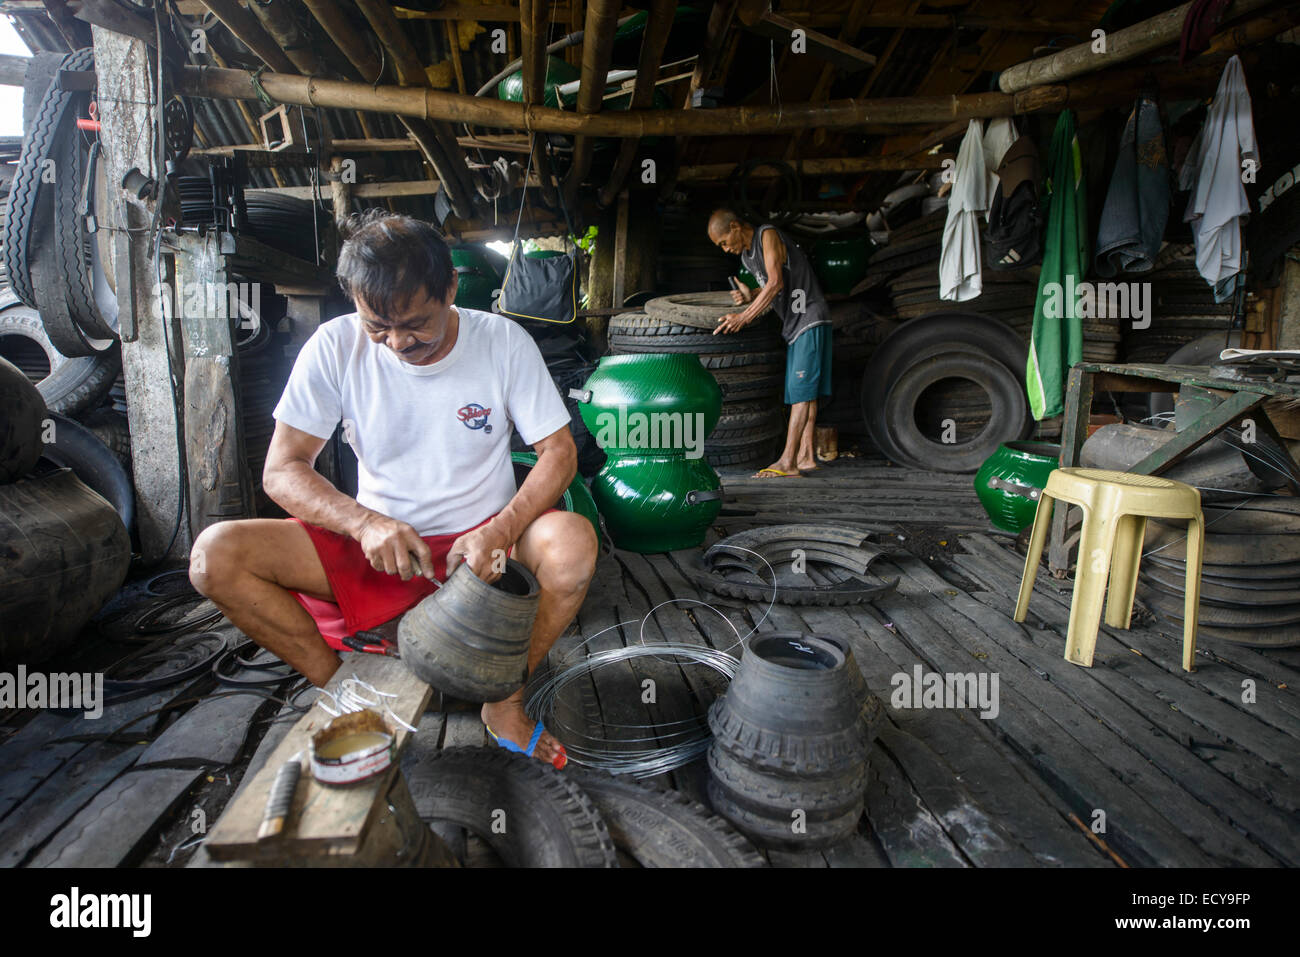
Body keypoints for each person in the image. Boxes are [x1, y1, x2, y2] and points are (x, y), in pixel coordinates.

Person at [189, 211, 596, 768]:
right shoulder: (334, 346)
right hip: (380, 550)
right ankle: (347, 694)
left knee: (572, 545)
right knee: (216, 556)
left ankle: (505, 700)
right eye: (378, 327)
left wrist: (499, 529)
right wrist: (364, 523)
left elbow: (560, 453)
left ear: (450, 287)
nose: (399, 343)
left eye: (416, 324)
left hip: (485, 555)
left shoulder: (503, 340)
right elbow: (282, 469)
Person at [708, 208, 832, 477]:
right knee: (805, 392)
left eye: (724, 242)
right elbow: (772, 285)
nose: (725, 249)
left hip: (808, 316)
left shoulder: (767, 235)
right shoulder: (747, 255)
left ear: (735, 227)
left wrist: (744, 317)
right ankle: (806, 456)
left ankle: (787, 462)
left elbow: (775, 283)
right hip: (796, 324)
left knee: (800, 393)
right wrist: (750, 295)